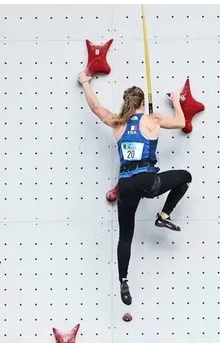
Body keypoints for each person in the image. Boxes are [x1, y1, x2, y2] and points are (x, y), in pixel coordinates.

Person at [78, 72, 192, 306]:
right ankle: (164, 215)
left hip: (126, 185)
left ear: (125, 102)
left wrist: (85, 83)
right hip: (148, 182)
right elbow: (180, 122)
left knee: (125, 236)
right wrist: (175, 101)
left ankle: (123, 280)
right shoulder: (153, 119)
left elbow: (96, 107)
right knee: (185, 177)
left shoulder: (117, 122)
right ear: (142, 103)